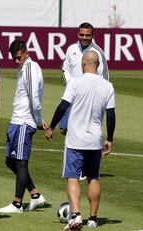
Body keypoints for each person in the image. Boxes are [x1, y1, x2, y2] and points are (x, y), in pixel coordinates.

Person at [45, 50, 115, 230]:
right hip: (95, 139)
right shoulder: (107, 86)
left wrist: (52, 127)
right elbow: (111, 115)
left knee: (72, 177)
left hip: (75, 139)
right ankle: (93, 219)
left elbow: (63, 107)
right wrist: (110, 139)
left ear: (83, 62)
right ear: (98, 65)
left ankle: (76, 215)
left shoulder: (75, 82)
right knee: (93, 178)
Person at [0, 39, 48, 213]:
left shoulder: (31, 69)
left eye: (19, 58)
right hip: (16, 120)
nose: (16, 61)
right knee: (10, 161)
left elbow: (34, 98)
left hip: (24, 121)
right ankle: (35, 194)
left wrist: (39, 120)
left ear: (26, 53)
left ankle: (17, 203)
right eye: (14, 58)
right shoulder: (23, 68)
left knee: (20, 161)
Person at [59, 22, 109, 135]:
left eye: (87, 35)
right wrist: (70, 84)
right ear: (78, 34)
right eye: (81, 35)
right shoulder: (71, 49)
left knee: (85, 130)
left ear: (93, 35)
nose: (84, 38)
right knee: (64, 129)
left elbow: (104, 78)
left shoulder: (98, 52)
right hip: (72, 95)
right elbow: (64, 68)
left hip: (89, 97)